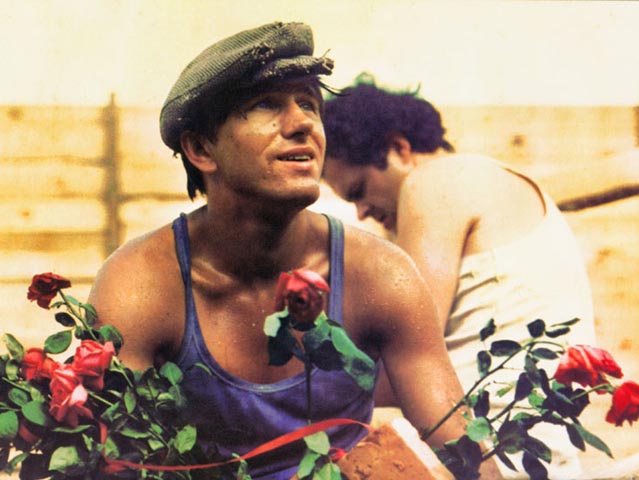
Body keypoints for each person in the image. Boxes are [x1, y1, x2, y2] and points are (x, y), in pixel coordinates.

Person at [88, 23, 501, 480]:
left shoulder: (381, 275)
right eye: (266, 104)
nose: (302, 123)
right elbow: (109, 464)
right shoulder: (141, 285)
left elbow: (468, 455)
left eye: (309, 103)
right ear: (202, 148)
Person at [321, 78, 597, 478]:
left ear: (399, 148)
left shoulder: (435, 182)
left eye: (359, 190)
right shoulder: (484, 180)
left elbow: (400, 359)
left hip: (496, 457)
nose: (361, 211)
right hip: (531, 453)